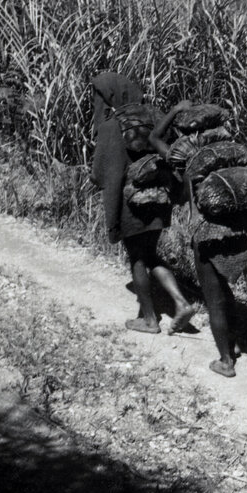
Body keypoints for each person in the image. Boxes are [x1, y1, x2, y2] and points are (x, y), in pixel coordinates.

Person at [149, 101, 247, 378]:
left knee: (213, 297)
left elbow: (154, 138)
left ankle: (225, 360)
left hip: (208, 234)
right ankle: (240, 339)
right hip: (240, 231)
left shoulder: (189, 162)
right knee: (225, 290)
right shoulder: (233, 152)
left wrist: (174, 111)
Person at [90, 72, 194, 335]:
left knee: (137, 258)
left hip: (131, 205)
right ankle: (181, 303)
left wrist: (112, 213)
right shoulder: (156, 117)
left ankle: (149, 320)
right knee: (150, 253)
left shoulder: (111, 127)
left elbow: (103, 175)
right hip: (158, 199)